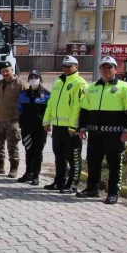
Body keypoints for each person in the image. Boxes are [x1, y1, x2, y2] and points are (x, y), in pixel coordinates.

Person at [76, 56, 127, 205]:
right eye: (103, 67)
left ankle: (113, 192)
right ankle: (92, 189)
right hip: (95, 133)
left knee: (114, 164)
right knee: (93, 162)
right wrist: (82, 128)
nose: (106, 69)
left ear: (115, 69)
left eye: (110, 67)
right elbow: (84, 110)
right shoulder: (92, 88)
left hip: (114, 134)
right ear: (99, 69)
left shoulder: (124, 87)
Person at [43, 56, 88, 193]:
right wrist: (46, 120)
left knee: (73, 157)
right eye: (65, 66)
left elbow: (78, 107)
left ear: (77, 67)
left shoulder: (80, 83)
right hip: (57, 127)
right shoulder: (58, 83)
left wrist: (73, 126)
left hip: (71, 129)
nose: (67, 68)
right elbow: (51, 103)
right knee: (59, 156)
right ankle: (60, 181)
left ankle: (72, 184)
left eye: (70, 66)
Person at [0, 62, 25, 177]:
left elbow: (26, 102)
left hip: (12, 120)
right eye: (2, 72)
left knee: (12, 146)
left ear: (12, 70)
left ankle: (14, 168)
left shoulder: (21, 84)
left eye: (6, 71)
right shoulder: (0, 83)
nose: (4, 73)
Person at [16, 70, 50, 186]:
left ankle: (36, 176)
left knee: (38, 152)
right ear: (28, 79)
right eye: (31, 77)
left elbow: (49, 112)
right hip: (27, 128)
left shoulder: (47, 95)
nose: (34, 79)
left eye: (36, 77)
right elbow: (19, 109)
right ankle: (28, 174)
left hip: (41, 129)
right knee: (28, 150)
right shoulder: (23, 94)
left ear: (40, 79)